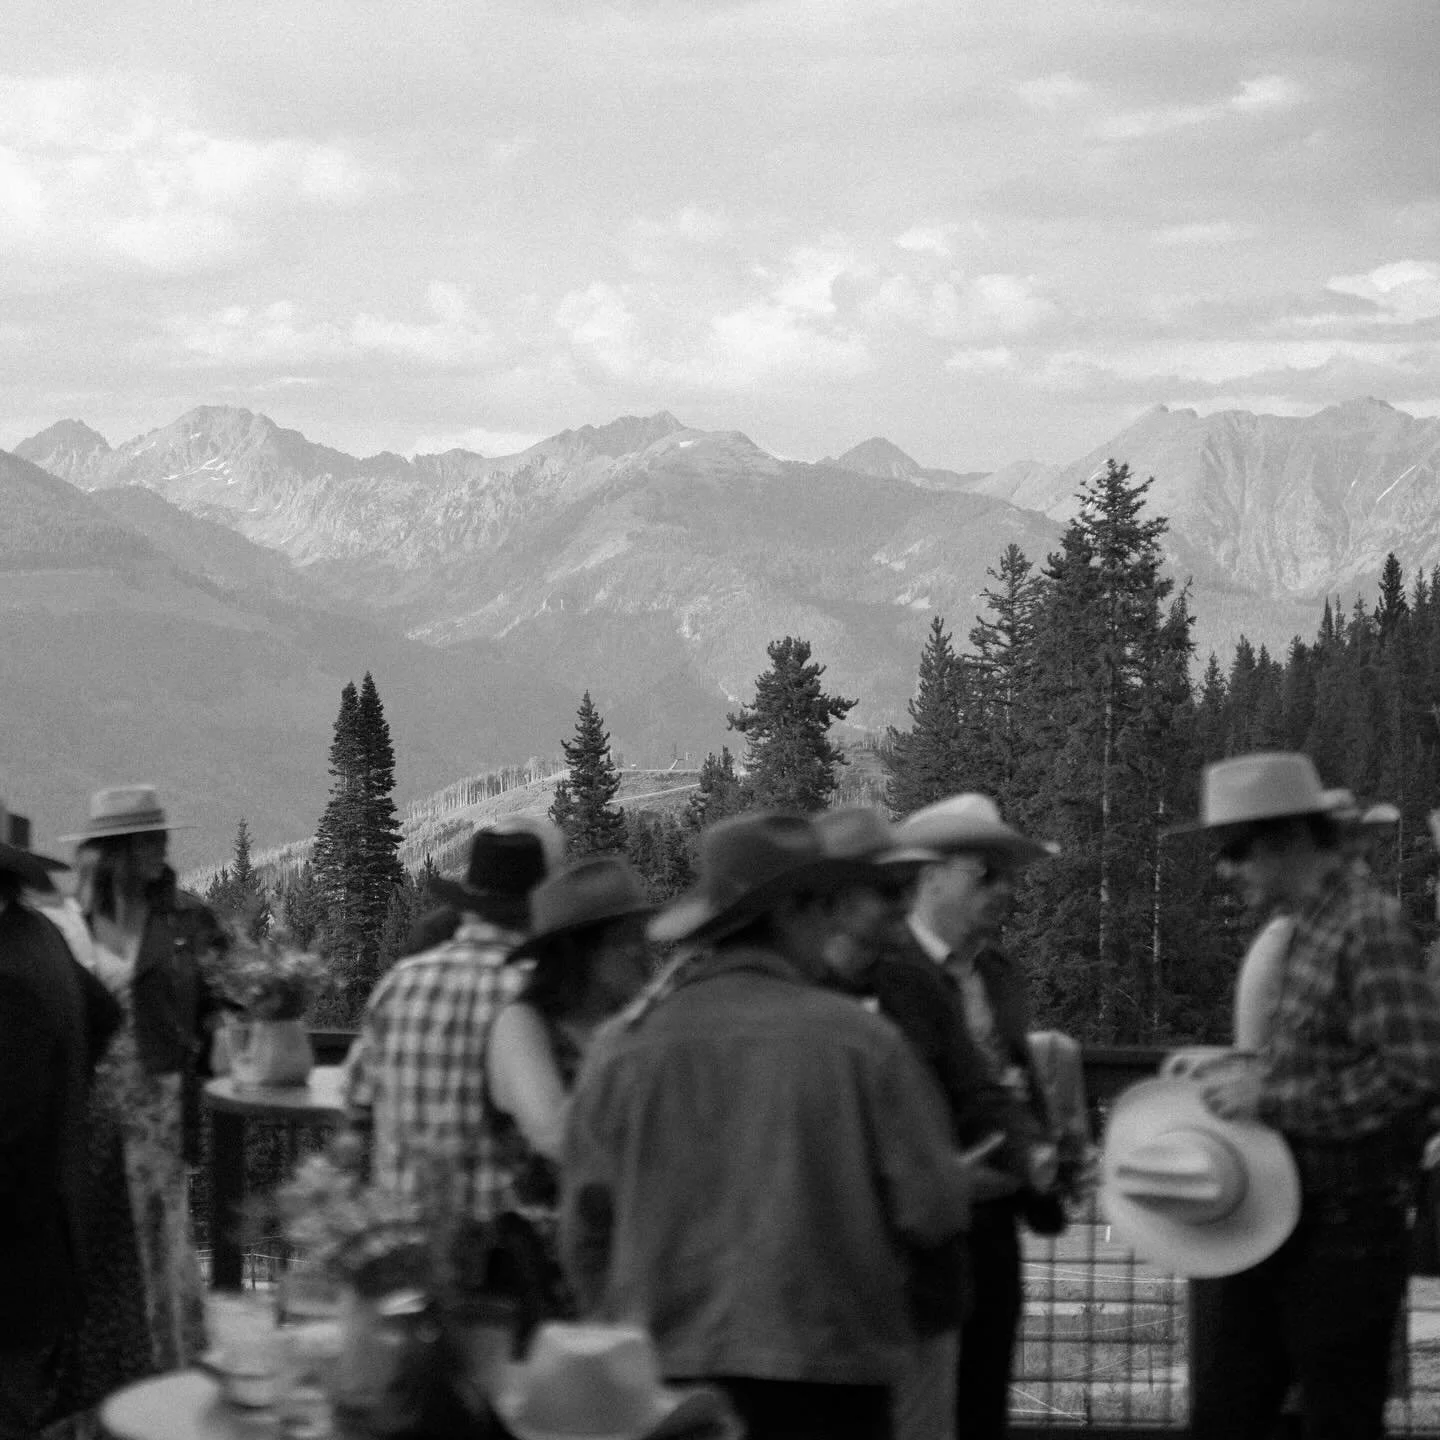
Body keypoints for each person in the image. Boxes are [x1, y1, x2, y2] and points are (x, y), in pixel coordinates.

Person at [561, 811, 981, 1440]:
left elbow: (584, 1229)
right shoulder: (863, 1044)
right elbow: (935, 1207)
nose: (834, 921)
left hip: (664, 1381)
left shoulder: (620, 1051)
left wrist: (619, 1333)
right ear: (791, 912)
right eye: (824, 905)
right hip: (829, 1376)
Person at [1179, 752, 1440, 1440]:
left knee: (1324, 1419)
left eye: (1235, 850)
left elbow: (1413, 1072)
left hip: (1347, 1232)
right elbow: (1325, 1059)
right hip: (1296, 1222)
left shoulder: (1366, 924)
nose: (1225, 870)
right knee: (1230, 1410)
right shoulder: (1311, 926)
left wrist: (1271, 1100)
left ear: (1288, 839)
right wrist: (1246, 1081)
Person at [813, 806, 1018, 1440]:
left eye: (905, 886)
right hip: (825, 1295)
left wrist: (1020, 1153)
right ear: (831, 900)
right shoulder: (788, 998)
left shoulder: (918, 986)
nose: (902, 902)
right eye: (887, 888)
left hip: (922, 1286)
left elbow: (978, 1092)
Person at [895, 793, 1073, 1440]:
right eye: (987, 874)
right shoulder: (885, 971)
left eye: (1009, 875)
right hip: (916, 1233)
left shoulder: (997, 972)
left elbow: (1009, 1078)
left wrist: (1045, 1157)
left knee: (982, 1408)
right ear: (930, 875)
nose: (1004, 890)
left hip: (994, 1225)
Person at [53, 786, 229, 1416]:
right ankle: (100, 1383)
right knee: (99, 1237)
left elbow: (225, 992)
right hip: (88, 1105)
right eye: (149, 840)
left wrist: (221, 1031)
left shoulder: (186, 919)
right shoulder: (69, 924)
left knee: (159, 1232)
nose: (163, 849)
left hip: (159, 1100)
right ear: (116, 853)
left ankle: (166, 1369)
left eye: (162, 837)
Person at [343, 819, 560, 1217]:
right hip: (500, 1239)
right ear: (536, 910)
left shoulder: (399, 983)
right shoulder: (539, 993)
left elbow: (356, 1097)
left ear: (468, 906)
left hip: (399, 1234)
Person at [0, 805, 118, 1440]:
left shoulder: (8, 980)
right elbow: (104, 1016)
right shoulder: (37, 935)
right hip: (44, 1246)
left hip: (13, 1266)